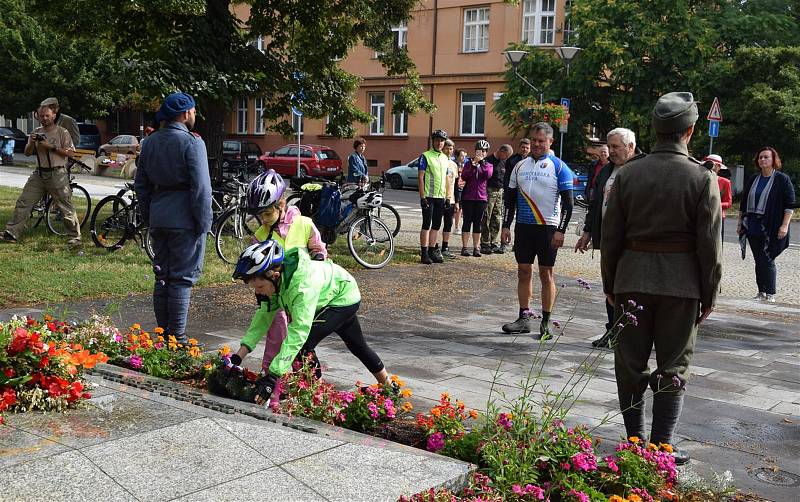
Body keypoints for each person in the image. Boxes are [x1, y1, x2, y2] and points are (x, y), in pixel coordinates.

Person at [601, 92, 722, 464]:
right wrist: (709, 294)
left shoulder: (627, 174)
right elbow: (710, 247)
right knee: (674, 365)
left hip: (631, 280)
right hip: (681, 286)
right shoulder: (702, 178)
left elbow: (611, 237)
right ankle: (662, 446)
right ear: (690, 130)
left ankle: (634, 440)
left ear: (655, 130)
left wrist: (610, 285)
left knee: (629, 363)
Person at [232, 241, 395, 405]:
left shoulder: (301, 286)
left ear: (273, 275)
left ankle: (314, 397)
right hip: (334, 290)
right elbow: (263, 317)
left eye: (259, 286)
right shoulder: (277, 281)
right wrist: (239, 356)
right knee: (358, 345)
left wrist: (273, 376)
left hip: (342, 297)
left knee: (303, 346)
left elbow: (299, 331)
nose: (257, 292)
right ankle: (389, 388)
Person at [228, 169, 328, 372]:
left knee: (300, 338)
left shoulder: (303, 224)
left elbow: (319, 251)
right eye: (259, 215)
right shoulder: (260, 235)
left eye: (267, 213)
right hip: (275, 294)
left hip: (300, 292)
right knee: (275, 333)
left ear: (281, 205)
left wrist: (317, 265)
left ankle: (306, 376)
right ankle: (270, 375)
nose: (263, 219)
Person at [134, 92, 212, 345]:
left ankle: (161, 334)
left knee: (162, 276)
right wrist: (204, 223)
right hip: (185, 219)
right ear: (185, 113)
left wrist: (149, 216)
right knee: (181, 278)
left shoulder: (150, 142)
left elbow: (141, 186)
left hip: (159, 216)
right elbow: (201, 189)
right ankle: (176, 337)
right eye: (194, 110)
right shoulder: (193, 143)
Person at [500, 123, 574, 340]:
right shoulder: (519, 166)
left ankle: (546, 320)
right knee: (523, 271)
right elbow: (510, 200)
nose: (537, 144)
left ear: (551, 142)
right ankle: (524, 318)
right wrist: (506, 225)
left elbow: (569, 204)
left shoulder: (559, 166)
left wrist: (561, 230)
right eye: (534, 140)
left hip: (548, 227)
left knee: (546, 274)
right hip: (524, 227)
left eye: (542, 140)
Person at [574, 128, 638, 348]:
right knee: (610, 286)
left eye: (615, 147)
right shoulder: (606, 171)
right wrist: (588, 232)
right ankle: (613, 330)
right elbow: (594, 204)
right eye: (609, 147)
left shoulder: (642, 168)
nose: (610, 151)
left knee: (628, 288)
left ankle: (629, 333)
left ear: (630, 147)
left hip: (633, 242)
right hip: (608, 240)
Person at [1, 105, 79, 245]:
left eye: (47, 116)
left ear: (53, 116)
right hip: (39, 174)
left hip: (57, 173)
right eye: (41, 116)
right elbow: (27, 152)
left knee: (65, 206)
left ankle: (75, 236)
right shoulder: (36, 132)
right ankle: (11, 233)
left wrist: (51, 146)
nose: (44, 119)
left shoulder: (62, 132)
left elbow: (71, 153)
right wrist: (31, 142)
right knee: (24, 202)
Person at [738, 147, 795, 303]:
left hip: (772, 226)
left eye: (766, 157)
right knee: (758, 260)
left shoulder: (782, 179)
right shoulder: (753, 179)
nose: (762, 160)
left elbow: (790, 205)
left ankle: (770, 293)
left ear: (773, 160)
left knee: (768, 258)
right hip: (753, 225)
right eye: (760, 157)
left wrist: (784, 226)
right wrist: (739, 223)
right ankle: (761, 291)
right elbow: (743, 204)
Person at [418, 129, 450, 264]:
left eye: (442, 140)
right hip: (429, 196)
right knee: (426, 224)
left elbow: (447, 179)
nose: (439, 143)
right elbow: (420, 178)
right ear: (433, 141)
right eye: (437, 140)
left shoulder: (445, 157)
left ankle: (432, 250)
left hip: (440, 197)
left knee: (436, 225)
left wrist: (448, 197)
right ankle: (424, 253)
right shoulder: (425, 156)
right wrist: (422, 197)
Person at [459, 140, 493, 257]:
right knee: (467, 222)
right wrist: (474, 165)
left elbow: (487, 175)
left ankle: (476, 248)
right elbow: (464, 176)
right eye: (480, 150)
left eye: (484, 151)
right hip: (468, 197)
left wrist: (481, 163)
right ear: (475, 151)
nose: (482, 153)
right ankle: (464, 247)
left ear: (486, 153)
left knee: (478, 223)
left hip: (481, 198)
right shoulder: (469, 163)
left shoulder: (488, 165)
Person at [481, 144, 512, 255]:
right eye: (506, 156)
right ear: (501, 151)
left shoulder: (504, 162)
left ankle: (493, 241)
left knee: (497, 217)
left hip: (500, 192)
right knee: (486, 217)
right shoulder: (488, 160)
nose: (506, 158)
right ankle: (485, 242)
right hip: (488, 191)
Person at [435, 139, 458, 259]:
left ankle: (445, 247)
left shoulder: (454, 165)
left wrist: (457, 201)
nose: (449, 151)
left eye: (451, 148)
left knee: (448, 224)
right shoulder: (439, 162)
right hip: (439, 197)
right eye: (447, 148)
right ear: (443, 149)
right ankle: (435, 246)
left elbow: (456, 183)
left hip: (451, 199)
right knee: (437, 223)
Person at [452, 148, 467, 235]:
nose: (463, 157)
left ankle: (457, 226)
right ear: (457, 156)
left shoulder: (465, 165)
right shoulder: (454, 165)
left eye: (464, 156)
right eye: (461, 155)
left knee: (460, 208)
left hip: (463, 189)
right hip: (455, 188)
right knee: (455, 208)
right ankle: (455, 227)